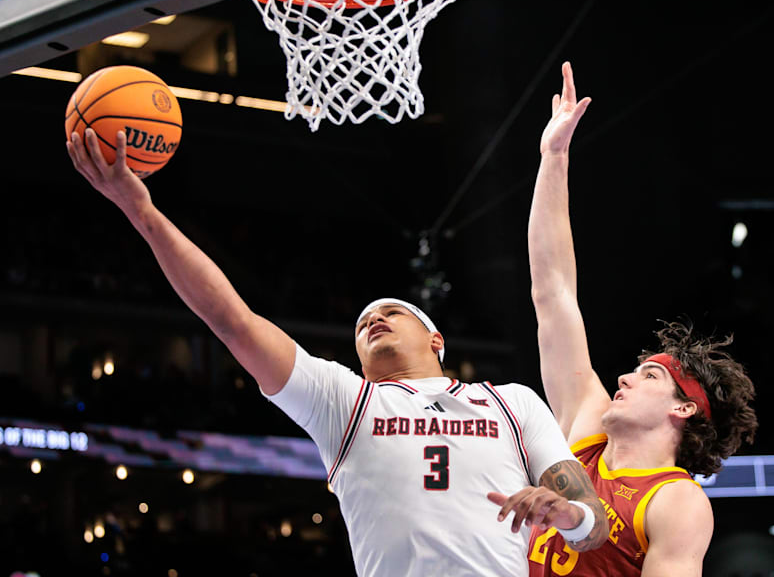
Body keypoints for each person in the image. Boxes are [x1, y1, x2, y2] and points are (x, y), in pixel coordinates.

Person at [65, 128, 609, 577]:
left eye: (391, 313)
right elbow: (231, 320)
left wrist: (566, 514)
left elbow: (595, 524)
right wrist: (142, 213)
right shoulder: (343, 400)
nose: (373, 320)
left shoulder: (512, 403)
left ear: (435, 339)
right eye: (362, 324)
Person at [523, 62, 760, 576]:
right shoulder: (586, 428)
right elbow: (554, 292)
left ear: (685, 409)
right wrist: (553, 157)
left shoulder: (677, 502)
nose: (624, 377)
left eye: (651, 374)